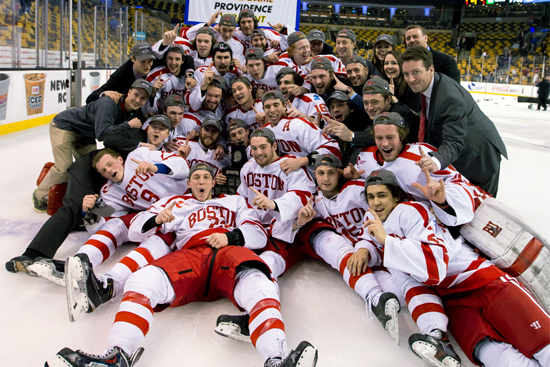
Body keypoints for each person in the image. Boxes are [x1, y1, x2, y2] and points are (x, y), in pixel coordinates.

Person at [45, 162, 318, 367]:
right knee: (141, 281)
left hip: (228, 252)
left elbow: (257, 235)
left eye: (206, 178)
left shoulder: (234, 201)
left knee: (259, 280)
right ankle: (117, 355)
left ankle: (275, 358)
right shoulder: (175, 202)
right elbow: (137, 228)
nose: (201, 181)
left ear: (213, 183)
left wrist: (230, 236)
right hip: (188, 256)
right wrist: (157, 220)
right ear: (190, 183)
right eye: (196, 177)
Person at [358, 169, 550, 367]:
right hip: (454, 303)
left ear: (396, 196)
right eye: (371, 197)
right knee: (497, 358)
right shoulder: (379, 230)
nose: (376, 202)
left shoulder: (409, 211)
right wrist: (434, 330)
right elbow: (410, 284)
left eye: (382, 195)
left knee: (545, 347)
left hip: (484, 281)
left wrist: (385, 240)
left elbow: (435, 264)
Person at [32, 79, 153, 212]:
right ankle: (39, 196)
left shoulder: (133, 111)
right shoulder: (108, 104)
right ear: (128, 92)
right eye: (136, 95)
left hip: (85, 133)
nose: (138, 100)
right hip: (64, 126)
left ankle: (51, 174)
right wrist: (127, 125)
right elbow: (102, 135)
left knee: (92, 166)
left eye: (143, 98)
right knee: (64, 168)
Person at [401, 46, 507, 196]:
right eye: (406, 74)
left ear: (431, 69)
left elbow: (454, 142)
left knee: (481, 210)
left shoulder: (450, 98)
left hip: (479, 159)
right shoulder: (429, 86)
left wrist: (436, 161)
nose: (410, 79)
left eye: (416, 72)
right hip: (464, 156)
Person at [86, 42, 162, 104]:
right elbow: (90, 98)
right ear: (132, 59)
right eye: (143, 62)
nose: (147, 65)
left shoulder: (154, 63)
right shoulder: (119, 76)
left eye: (149, 61)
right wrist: (105, 93)